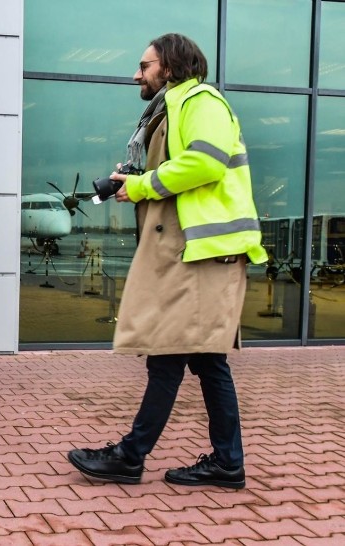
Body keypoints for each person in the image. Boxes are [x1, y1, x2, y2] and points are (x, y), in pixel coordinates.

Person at [67, 33, 267, 489]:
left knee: (174, 356)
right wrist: (132, 181)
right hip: (192, 252)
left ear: (171, 67)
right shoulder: (168, 108)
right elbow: (181, 170)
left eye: (145, 65)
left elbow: (206, 163)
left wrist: (140, 186)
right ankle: (220, 462)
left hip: (202, 253)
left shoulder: (200, 100)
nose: (137, 74)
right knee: (193, 359)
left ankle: (134, 456)